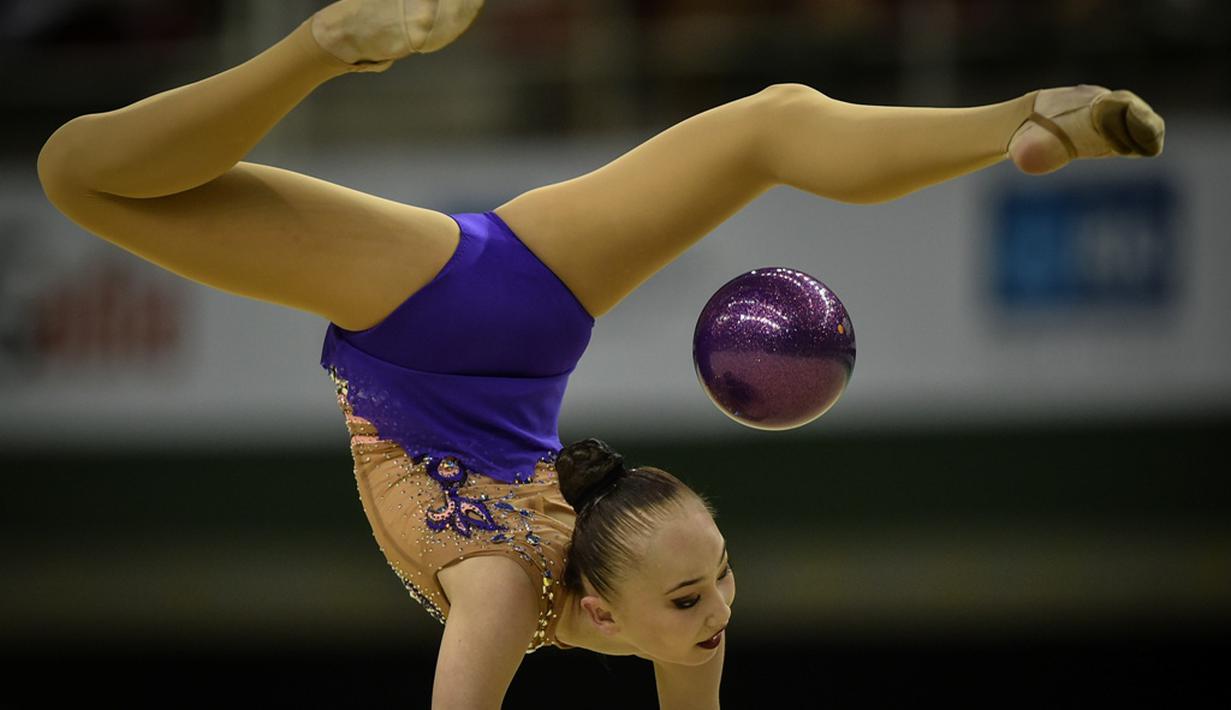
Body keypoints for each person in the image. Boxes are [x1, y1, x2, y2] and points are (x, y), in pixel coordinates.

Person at [35, 1, 1164, 707]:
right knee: (77, 172)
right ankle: (320, 46)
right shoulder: (579, 601)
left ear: (610, 615)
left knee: (767, 122)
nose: (720, 610)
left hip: (514, 315)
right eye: (718, 569)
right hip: (438, 326)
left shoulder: (527, 596)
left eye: (698, 590)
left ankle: (1032, 113)